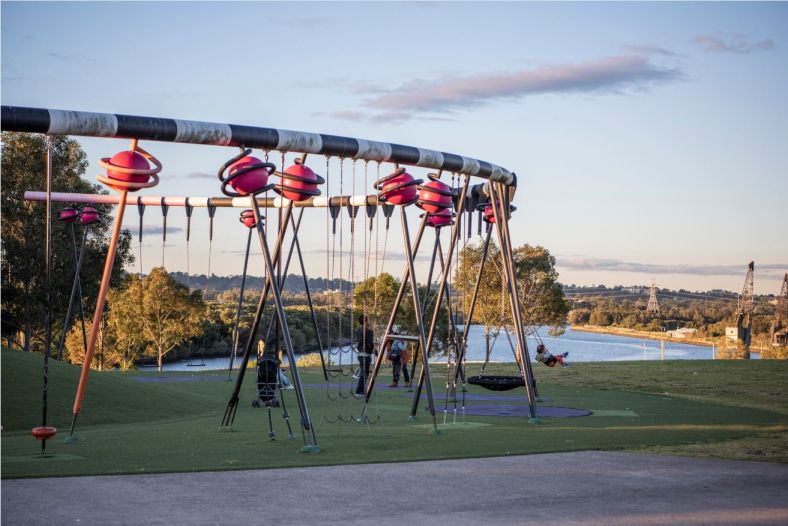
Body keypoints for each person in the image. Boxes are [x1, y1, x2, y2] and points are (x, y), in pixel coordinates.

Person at [354, 314, 374, 397]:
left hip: (360, 355)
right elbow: (370, 344)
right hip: (366, 355)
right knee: (364, 374)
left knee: (364, 372)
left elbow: (360, 342)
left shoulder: (358, 331)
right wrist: (374, 351)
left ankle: (361, 389)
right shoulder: (368, 332)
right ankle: (359, 391)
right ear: (366, 321)